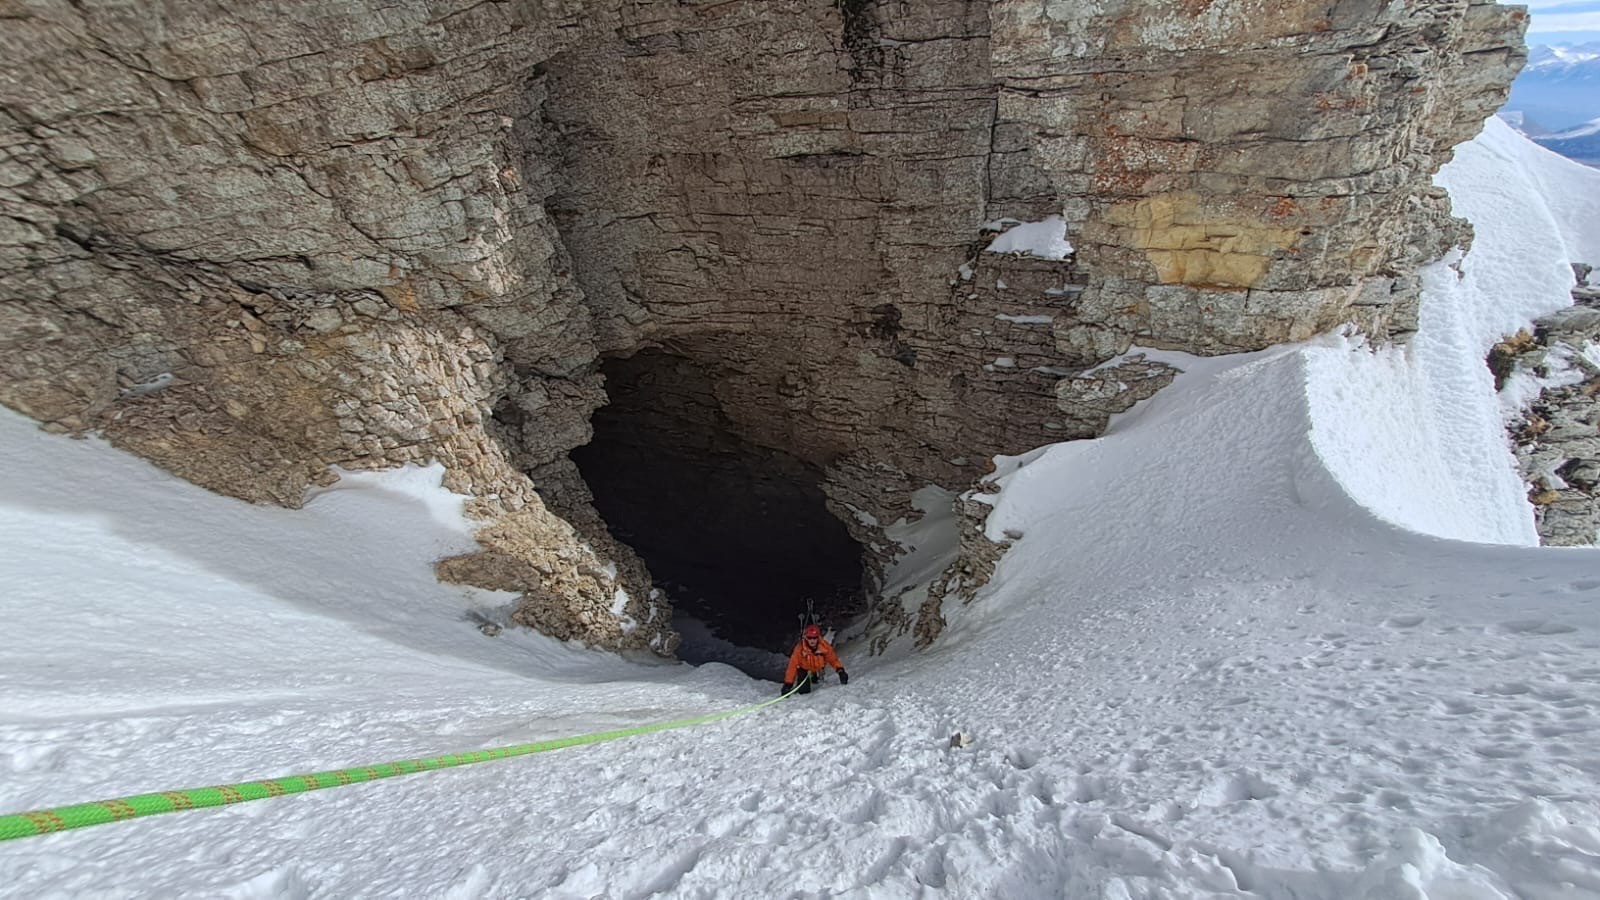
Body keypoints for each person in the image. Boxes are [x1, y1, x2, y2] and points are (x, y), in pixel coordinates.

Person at [782, 624, 849, 694]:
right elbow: (792, 666)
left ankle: (815, 676)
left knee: (815, 675)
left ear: (818, 637)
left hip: (818, 666)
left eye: (814, 638)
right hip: (804, 668)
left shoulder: (824, 646)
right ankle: (809, 678)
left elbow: (833, 659)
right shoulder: (800, 649)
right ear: (806, 638)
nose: (812, 640)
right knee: (804, 691)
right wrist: (788, 684)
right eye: (809, 638)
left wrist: (840, 671)